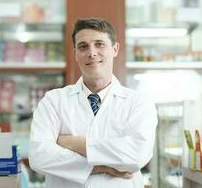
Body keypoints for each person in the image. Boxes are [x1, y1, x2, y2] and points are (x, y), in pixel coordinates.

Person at [29, 17, 158, 188]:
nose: (92, 52)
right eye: (83, 46)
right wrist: (99, 166)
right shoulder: (53, 101)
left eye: (100, 44)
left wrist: (73, 143)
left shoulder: (139, 103)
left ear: (115, 49)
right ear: (75, 53)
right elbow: (39, 156)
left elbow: (137, 155)